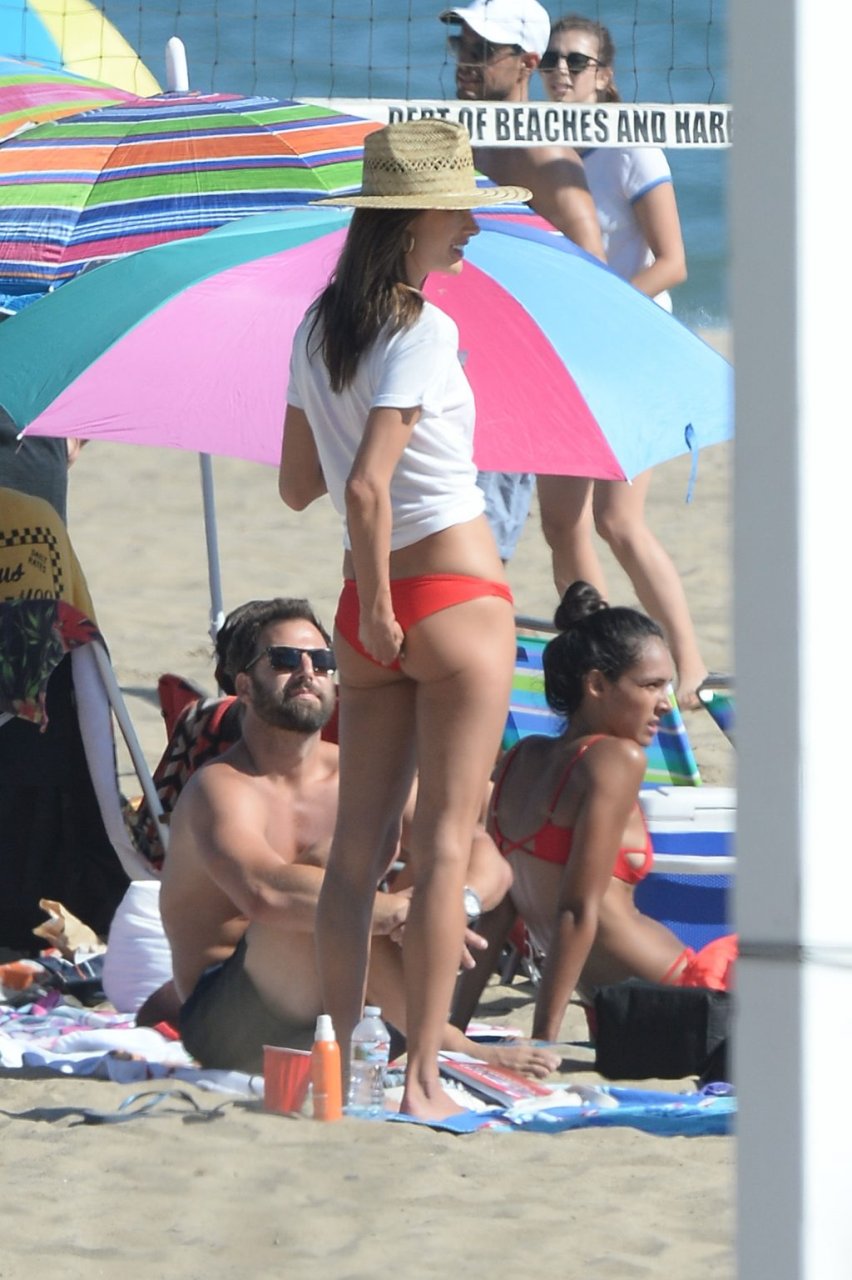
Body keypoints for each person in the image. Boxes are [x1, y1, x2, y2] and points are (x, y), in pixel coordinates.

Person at [280, 120, 525, 1119]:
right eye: (458, 208)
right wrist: (389, 602)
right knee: (445, 850)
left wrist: (372, 607)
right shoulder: (424, 328)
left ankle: (335, 1069)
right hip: (452, 600)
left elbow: (299, 483)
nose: (472, 224)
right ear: (414, 217)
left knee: (355, 857)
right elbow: (364, 487)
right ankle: (423, 1079)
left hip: (362, 612)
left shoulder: (317, 327)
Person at [159, 597, 558, 1079]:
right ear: (243, 685)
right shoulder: (220, 788)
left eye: (322, 661)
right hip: (235, 1022)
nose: (308, 673)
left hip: (357, 1013)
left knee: (434, 855)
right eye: (285, 660)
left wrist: (454, 906)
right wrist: (402, 914)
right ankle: (444, 1040)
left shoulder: (356, 775)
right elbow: (264, 893)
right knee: (334, 866)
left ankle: (422, 1030)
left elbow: (483, 853)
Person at [456, 581, 736, 1043]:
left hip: (608, 1011)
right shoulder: (615, 759)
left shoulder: (518, 760)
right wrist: (543, 1042)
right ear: (597, 685)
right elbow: (577, 909)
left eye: (666, 686)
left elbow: (499, 914)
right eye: (650, 686)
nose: (664, 704)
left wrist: (451, 1027)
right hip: (682, 996)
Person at [535, 13, 708, 707]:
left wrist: (605, 310)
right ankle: (599, 665)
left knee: (618, 520)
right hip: (568, 354)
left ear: (603, 76)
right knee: (561, 523)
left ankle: (689, 666)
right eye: (550, 59)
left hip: (632, 350)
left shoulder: (629, 145)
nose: (560, 71)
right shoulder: (538, 146)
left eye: (575, 62)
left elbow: (673, 261)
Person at [440, 0, 606, 563]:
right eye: (462, 46)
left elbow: (594, 270)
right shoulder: (463, 141)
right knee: (457, 538)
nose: (466, 60)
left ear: (528, 63)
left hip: (516, 371)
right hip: (459, 366)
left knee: (507, 543)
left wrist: (531, 347)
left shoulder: (545, 155)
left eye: (483, 50)